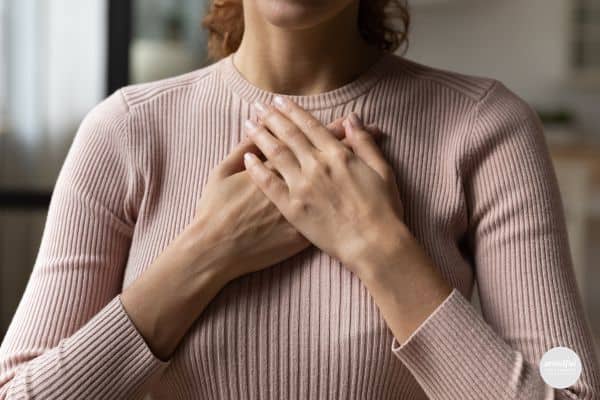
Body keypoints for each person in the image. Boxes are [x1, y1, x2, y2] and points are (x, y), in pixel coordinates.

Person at [1, 0, 599, 399]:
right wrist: (207, 253)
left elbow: (567, 383)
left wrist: (381, 248)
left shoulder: (485, 128)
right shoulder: (127, 132)